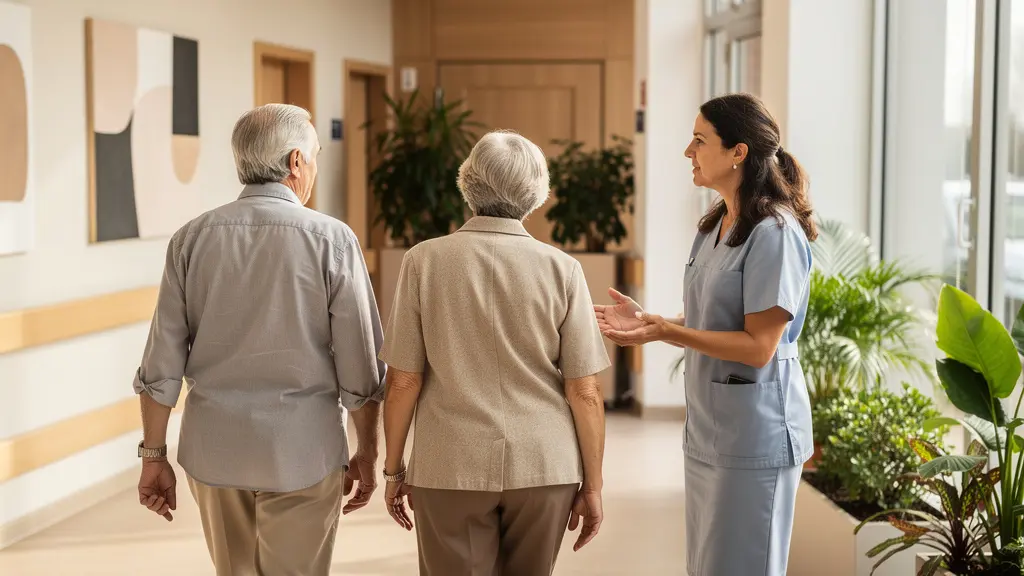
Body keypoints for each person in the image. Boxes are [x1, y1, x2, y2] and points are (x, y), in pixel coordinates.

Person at [131, 103, 386, 576]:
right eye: (313, 156)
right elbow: (361, 369)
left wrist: (153, 455)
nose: (313, 168)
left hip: (215, 452)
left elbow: (160, 365)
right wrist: (369, 453)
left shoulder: (191, 239)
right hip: (303, 452)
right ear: (295, 161)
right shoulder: (333, 240)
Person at [595, 93, 816, 576]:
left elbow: (759, 348)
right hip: (709, 428)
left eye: (699, 140)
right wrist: (653, 321)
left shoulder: (774, 233)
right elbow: (712, 319)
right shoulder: (716, 224)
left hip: (756, 431)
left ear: (739, 152)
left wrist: (663, 331)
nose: (687, 152)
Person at [378, 130, 609, 576]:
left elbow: (403, 380)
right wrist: (594, 486)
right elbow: (585, 390)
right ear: (536, 191)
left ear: (467, 181)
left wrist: (393, 472)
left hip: (450, 463)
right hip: (544, 465)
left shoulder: (423, 261)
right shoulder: (563, 269)